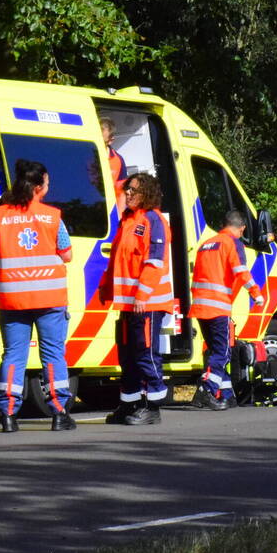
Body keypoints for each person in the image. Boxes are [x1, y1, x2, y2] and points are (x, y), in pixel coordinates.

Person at [0, 159, 75, 433]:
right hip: (48, 299)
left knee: (13, 355)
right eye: (47, 182)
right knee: (52, 354)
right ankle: (59, 412)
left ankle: (8, 414)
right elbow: (67, 254)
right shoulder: (53, 216)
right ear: (39, 187)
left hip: (13, 299)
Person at [98, 172, 173, 425]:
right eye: (127, 189)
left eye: (133, 190)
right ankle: (129, 404)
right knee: (127, 355)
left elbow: (155, 261)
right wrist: (106, 289)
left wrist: (142, 294)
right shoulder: (127, 220)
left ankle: (152, 407)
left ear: (147, 194)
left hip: (148, 303)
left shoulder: (154, 220)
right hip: (129, 303)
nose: (127, 193)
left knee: (145, 353)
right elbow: (117, 260)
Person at [190, 209, 264, 411]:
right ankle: (207, 390)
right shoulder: (233, 243)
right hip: (218, 306)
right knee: (222, 353)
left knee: (216, 350)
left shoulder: (206, 244)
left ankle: (228, 394)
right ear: (241, 228)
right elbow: (241, 272)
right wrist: (256, 294)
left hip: (200, 305)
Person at [100, 117, 128, 217]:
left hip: (109, 212)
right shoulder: (85, 157)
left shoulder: (118, 160)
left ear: (111, 140)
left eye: (102, 142)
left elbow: (121, 192)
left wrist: (119, 216)